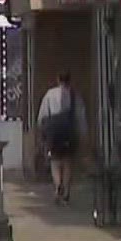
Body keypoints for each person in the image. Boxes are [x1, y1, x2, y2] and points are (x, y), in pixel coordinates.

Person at [37, 72, 85, 204]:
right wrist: (82, 133)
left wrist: (42, 132)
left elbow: (43, 115)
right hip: (69, 132)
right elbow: (80, 116)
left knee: (55, 162)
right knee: (68, 162)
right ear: (70, 80)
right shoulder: (75, 96)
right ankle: (67, 191)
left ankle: (58, 184)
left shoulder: (49, 94)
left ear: (58, 79)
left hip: (54, 133)